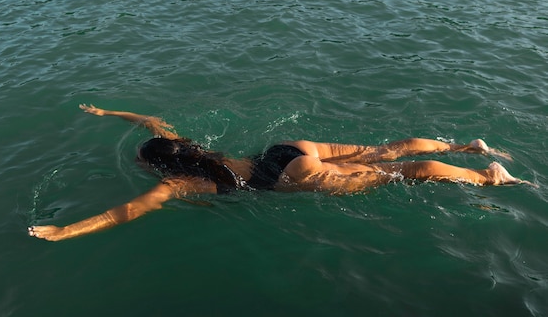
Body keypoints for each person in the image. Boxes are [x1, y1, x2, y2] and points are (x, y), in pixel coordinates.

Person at [28, 104, 534, 241]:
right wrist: (111, 114)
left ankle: (488, 178)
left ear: (159, 164)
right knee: (385, 152)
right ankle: (468, 145)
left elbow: (127, 211)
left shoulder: (178, 182)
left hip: (283, 181)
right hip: (286, 152)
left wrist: (67, 229)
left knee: (410, 173)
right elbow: (152, 121)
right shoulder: (188, 147)